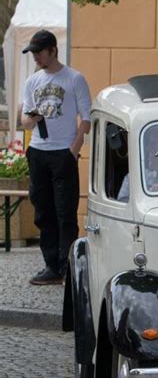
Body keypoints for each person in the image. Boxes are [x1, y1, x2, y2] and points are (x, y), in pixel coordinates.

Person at [21, 29, 91, 285]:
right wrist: (32, 118)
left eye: (39, 52)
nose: (36, 57)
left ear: (53, 50)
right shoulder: (32, 82)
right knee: (43, 210)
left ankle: (68, 267)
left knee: (65, 211)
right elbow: (24, 122)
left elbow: (86, 118)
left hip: (63, 152)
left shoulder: (74, 79)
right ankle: (51, 266)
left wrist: (73, 150)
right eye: (33, 53)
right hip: (38, 152)